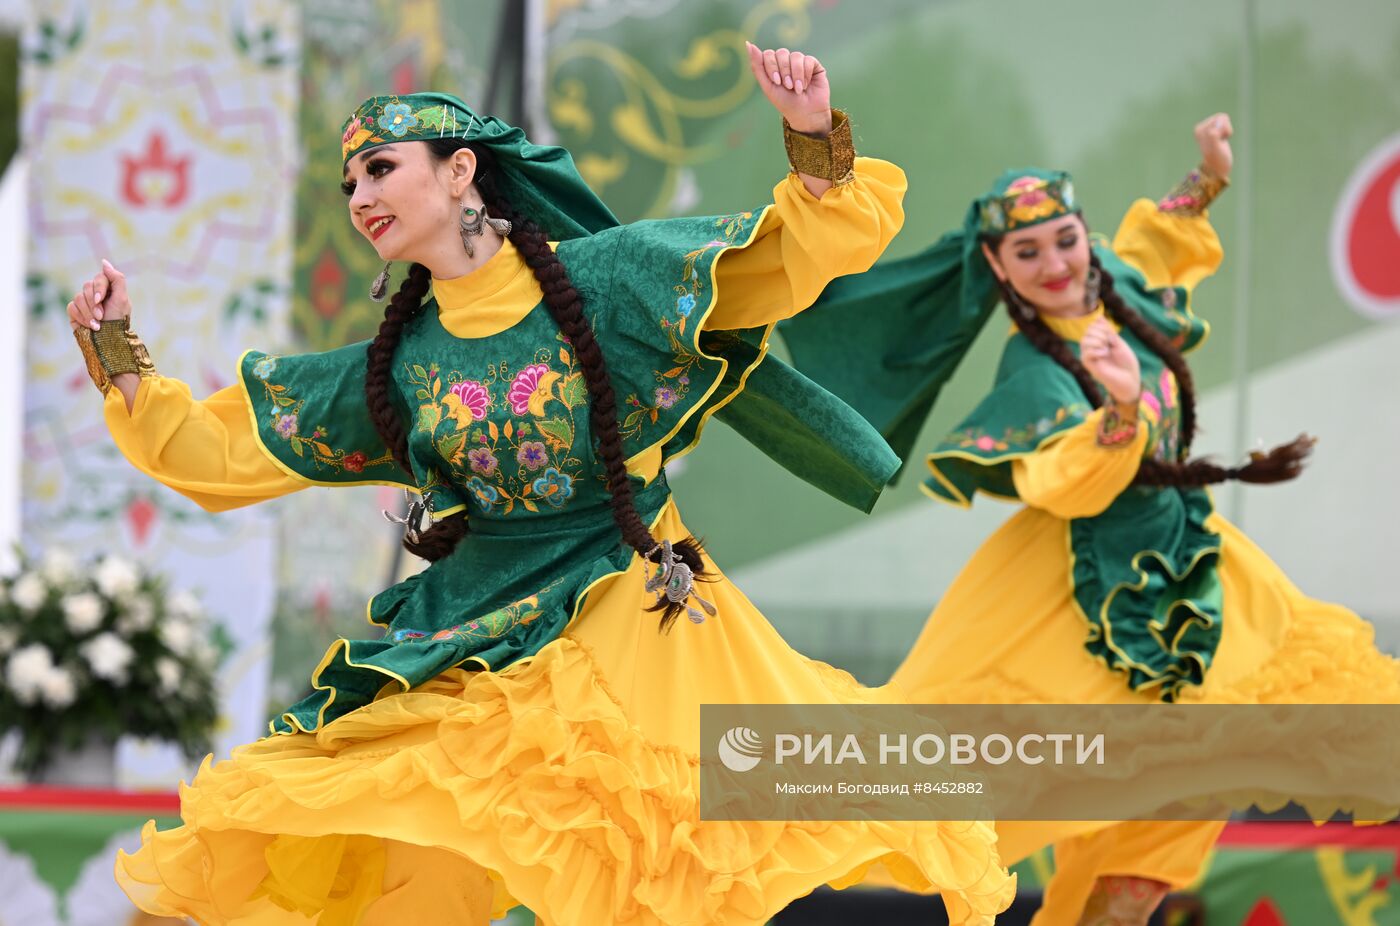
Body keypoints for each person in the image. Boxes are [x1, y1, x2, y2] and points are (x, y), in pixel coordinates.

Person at [67, 44, 1013, 926]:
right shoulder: (399, 364)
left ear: (460, 171)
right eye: (349, 183)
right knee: (343, 811)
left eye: (381, 168)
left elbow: (787, 258)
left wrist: (812, 135)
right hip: (482, 624)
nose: (360, 196)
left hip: (629, 611)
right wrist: (114, 350)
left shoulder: (614, 282)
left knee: (644, 873)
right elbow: (221, 449)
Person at [782, 114, 1400, 925]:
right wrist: (1119, 410)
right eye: (1027, 253)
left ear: (1085, 236)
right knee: (971, 769)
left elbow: (1155, 246)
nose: (1055, 266)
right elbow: (1059, 482)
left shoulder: (1119, 289)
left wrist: (1207, 174)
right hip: (1079, 602)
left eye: (1065, 241)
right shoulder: (1036, 368)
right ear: (998, 268)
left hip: (1194, 573)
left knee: (1190, 796)